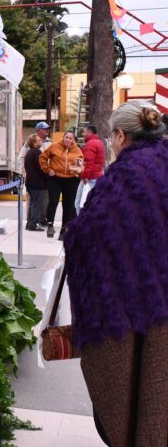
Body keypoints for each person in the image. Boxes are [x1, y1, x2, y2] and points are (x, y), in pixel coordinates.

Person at [63, 102, 168, 445]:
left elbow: (88, 237)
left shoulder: (124, 176)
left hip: (137, 314)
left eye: (112, 137)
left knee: (131, 401)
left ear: (121, 136)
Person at [39, 130, 83, 240]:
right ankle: (50, 225)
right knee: (53, 201)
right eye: (66, 137)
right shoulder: (54, 146)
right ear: (63, 138)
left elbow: (81, 164)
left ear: (73, 140)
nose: (68, 140)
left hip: (71, 180)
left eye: (70, 138)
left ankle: (63, 230)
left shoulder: (77, 150)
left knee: (68, 205)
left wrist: (78, 170)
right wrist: (47, 169)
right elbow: (42, 157)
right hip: (55, 178)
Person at [75, 124, 105, 215]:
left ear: (90, 132)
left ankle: (81, 226)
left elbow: (88, 162)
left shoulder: (90, 144)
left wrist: (84, 176)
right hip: (96, 176)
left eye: (84, 132)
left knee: (79, 203)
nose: (82, 134)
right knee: (92, 203)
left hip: (90, 178)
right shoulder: (99, 142)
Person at [23, 134, 47, 231]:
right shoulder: (37, 152)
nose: (41, 141)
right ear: (34, 143)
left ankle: (30, 223)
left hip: (30, 182)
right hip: (38, 183)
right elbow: (41, 168)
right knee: (37, 204)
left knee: (32, 204)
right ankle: (33, 224)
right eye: (39, 140)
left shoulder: (29, 152)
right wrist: (48, 176)